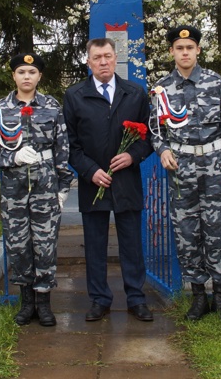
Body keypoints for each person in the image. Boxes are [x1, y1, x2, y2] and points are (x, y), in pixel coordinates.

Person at [149, 25, 221, 323]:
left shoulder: (215, 82)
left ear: (198, 50)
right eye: (179, 48)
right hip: (182, 169)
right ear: (172, 52)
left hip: (215, 166)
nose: (185, 52)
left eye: (190, 48)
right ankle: (198, 296)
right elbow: (155, 129)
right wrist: (162, 149)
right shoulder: (162, 88)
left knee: (217, 231)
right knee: (187, 232)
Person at [63, 38, 155, 322]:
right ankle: (99, 299)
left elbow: (150, 136)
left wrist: (133, 156)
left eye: (107, 56)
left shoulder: (135, 93)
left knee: (131, 242)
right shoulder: (75, 95)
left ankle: (136, 298)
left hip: (127, 180)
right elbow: (69, 143)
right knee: (94, 243)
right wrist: (90, 171)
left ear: (116, 59)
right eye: (97, 57)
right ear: (88, 62)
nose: (103, 62)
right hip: (94, 183)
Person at [0, 52, 74, 327]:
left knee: (45, 243)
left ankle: (44, 303)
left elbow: (62, 147)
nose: (26, 77)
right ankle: (26, 303)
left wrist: (63, 187)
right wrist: (12, 158)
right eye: (21, 72)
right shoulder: (1, 108)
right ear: (13, 76)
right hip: (14, 186)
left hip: (45, 185)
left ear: (39, 76)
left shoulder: (51, 106)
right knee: (18, 243)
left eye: (32, 72)